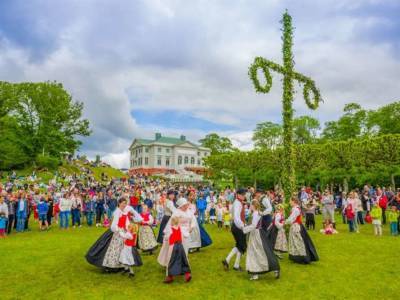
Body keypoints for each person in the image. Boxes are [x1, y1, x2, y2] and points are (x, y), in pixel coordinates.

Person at [85, 197, 143, 271]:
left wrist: (128, 228)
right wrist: (119, 230)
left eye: (125, 203)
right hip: (117, 232)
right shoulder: (117, 212)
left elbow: (128, 220)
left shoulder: (125, 211)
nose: (124, 205)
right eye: (123, 203)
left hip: (124, 231)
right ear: (119, 203)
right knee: (114, 249)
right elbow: (113, 226)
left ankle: (122, 265)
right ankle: (112, 266)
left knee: (123, 249)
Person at [244, 200, 280, 280]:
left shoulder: (256, 213)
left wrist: (244, 229)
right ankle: (255, 272)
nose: (250, 206)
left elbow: (253, 225)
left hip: (256, 234)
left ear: (254, 206)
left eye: (251, 205)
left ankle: (274, 268)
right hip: (255, 234)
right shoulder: (257, 213)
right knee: (257, 252)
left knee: (259, 252)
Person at [285, 197, 319, 264]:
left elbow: (291, 219)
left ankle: (302, 258)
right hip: (295, 225)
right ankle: (296, 257)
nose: (289, 202)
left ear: (293, 201)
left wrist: (284, 222)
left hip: (296, 226)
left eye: (290, 201)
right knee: (295, 241)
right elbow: (291, 218)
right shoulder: (295, 208)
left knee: (298, 242)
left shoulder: (295, 209)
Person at [222, 188, 247, 271]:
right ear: (238, 194)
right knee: (241, 245)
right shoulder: (237, 203)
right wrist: (242, 226)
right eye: (243, 194)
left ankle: (230, 261)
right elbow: (236, 217)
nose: (244, 196)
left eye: (244, 194)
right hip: (238, 226)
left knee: (239, 245)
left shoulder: (238, 202)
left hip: (237, 226)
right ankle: (232, 263)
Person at [162, 216, 191, 284]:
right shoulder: (180, 229)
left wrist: (165, 238)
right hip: (180, 246)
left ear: (172, 222)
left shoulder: (170, 229)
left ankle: (169, 277)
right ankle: (187, 274)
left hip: (173, 247)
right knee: (183, 259)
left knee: (170, 260)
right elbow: (185, 235)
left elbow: (166, 237)